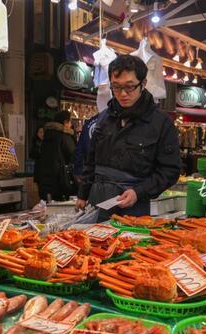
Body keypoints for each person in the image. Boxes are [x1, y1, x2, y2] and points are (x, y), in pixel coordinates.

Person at [76, 55, 181, 219]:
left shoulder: (161, 123)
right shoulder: (103, 119)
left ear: (143, 84)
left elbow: (170, 170)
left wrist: (138, 192)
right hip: (97, 201)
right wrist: (83, 194)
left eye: (129, 87)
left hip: (134, 208)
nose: (122, 94)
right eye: (116, 87)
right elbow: (90, 162)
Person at [37, 111, 76, 201]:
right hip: (61, 180)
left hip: (45, 179)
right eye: (70, 122)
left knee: (49, 205)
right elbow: (73, 156)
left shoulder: (46, 136)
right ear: (65, 122)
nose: (70, 124)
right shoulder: (65, 136)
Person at [73, 114, 98, 185]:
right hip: (110, 175)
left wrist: (77, 171)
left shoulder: (89, 122)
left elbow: (79, 150)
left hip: (89, 171)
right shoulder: (115, 121)